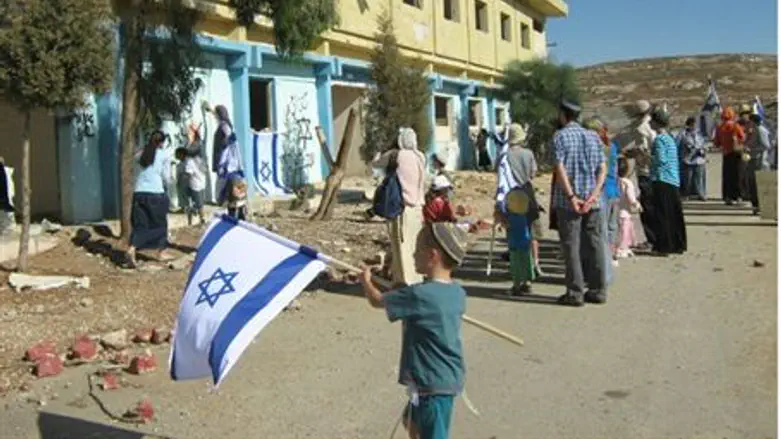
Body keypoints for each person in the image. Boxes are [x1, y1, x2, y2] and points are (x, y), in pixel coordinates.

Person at [360, 222, 467, 439]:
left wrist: (366, 281)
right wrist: (401, 290)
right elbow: (421, 300)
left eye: (417, 249)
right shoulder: (457, 292)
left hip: (432, 383)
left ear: (432, 256)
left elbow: (377, 300)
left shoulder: (420, 295)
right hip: (441, 378)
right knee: (411, 422)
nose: (413, 254)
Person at [551, 99, 608, 307]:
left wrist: (571, 197)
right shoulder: (593, 136)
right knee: (595, 244)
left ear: (563, 114)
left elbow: (560, 169)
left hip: (569, 203)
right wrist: (593, 195)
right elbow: (603, 168)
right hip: (593, 201)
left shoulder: (560, 137)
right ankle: (598, 289)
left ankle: (575, 293)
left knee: (571, 246)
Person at [378, 127, 426, 286]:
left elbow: (376, 163)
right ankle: (417, 279)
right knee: (414, 246)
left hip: (402, 208)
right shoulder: (420, 156)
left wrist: (384, 149)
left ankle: (405, 283)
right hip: (418, 209)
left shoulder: (396, 155)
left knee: (401, 248)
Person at [500, 123, 545, 276]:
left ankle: (517, 266)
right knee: (532, 231)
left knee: (514, 231)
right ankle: (536, 263)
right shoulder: (528, 153)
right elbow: (532, 173)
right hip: (528, 192)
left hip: (511, 195)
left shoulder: (504, 156)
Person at [614, 100, 657, 250]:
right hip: (650, 170)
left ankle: (652, 239)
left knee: (647, 207)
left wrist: (634, 153)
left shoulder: (642, 128)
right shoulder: (649, 126)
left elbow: (646, 152)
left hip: (646, 170)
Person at [127, 131, 174, 267]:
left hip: (139, 192)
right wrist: (170, 182)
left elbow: (136, 161)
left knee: (141, 224)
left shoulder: (140, 153)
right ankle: (161, 252)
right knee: (160, 225)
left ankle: (132, 249)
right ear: (162, 143)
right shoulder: (164, 155)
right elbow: (166, 176)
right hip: (155, 193)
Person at [649, 108, 687, 255]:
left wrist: (646, 157)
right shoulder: (670, 138)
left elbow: (661, 160)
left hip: (662, 178)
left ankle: (664, 246)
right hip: (673, 179)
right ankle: (678, 244)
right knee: (674, 214)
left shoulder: (659, 139)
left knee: (663, 215)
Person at [501, 188, 536, 295]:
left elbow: (505, 224)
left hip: (514, 245)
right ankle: (527, 283)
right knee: (526, 263)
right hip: (525, 244)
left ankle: (516, 286)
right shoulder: (524, 217)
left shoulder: (511, 218)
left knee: (516, 265)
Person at [714, 107, 746, 205]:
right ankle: (739, 196)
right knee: (737, 175)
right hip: (736, 154)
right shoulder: (736, 126)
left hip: (726, 154)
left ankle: (728, 197)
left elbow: (716, 143)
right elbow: (742, 138)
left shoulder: (719, 127)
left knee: (727, 176)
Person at [745, 113, 772, 215]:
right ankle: (756, 206)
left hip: (759, 162)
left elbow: (766, 146)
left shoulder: (761, 130)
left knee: (756, 184)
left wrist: (751, 149)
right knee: (752, 184)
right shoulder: (755, 130)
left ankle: (759, 206)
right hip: (753, 160)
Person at [175, 147, 207, 226]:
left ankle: (202, 220)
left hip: (195, 185)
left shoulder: (189, 161)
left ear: (182, 154)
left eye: (177, 154)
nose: (176, 156)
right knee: (189, 204)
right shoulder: (180, 163)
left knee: (199, 204)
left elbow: (187, 174)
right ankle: (190, 223)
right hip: (188, 185)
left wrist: (181, 182)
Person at [678, 116, 707, 201]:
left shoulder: (700, 134)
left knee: (699, 178)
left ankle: (701, 194)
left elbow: (703, 144)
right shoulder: (683, 134)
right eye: (693, 124)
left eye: (695, 124)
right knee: (688, 179)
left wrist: (703, 150)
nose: (694, 126)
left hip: (699, 159)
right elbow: (679, 144)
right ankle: (686, 194)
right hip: (688, 160)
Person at [616, 159, 640, 260]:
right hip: (625, 212)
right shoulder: (627, 183)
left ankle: (616, 248)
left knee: (617, 231)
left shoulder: (615, 181)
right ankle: (623, 249)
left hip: (616, 210)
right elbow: (631, 198)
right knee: (625, 232)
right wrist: (637, 204)